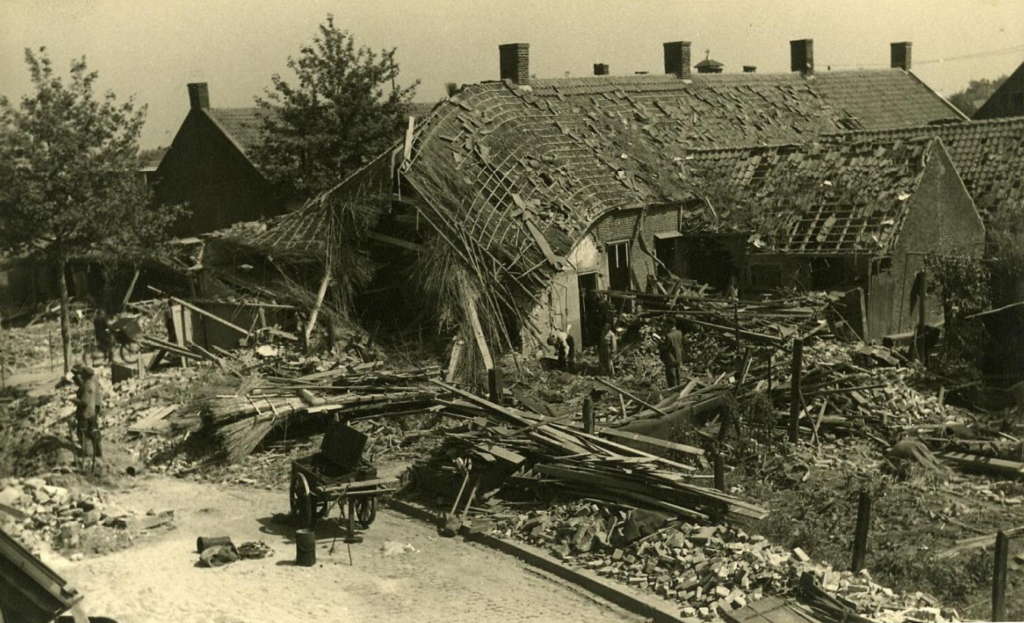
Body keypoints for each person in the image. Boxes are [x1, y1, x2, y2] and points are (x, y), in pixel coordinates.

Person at [71, 364, 103, 472]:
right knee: (93, 431)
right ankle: (97, 454)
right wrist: (75, 377)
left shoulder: (88, 385)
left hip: (87, 411)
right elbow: (82, 385)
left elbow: (84, 401)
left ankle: (88, 455)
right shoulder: (91, 382)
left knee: (84, 433)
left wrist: (73, 400)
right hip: (92, 409)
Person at [662, 318, 684, 388]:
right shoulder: (679, 333)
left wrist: (660, 344)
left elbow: (665, 348)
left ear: (671, 325)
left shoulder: (668, 336)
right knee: (678, 374)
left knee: (671, 376)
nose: (666, 326)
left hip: (671, 358)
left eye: (667, 324)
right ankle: (679, 389)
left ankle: (673, 391)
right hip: (678, 356)